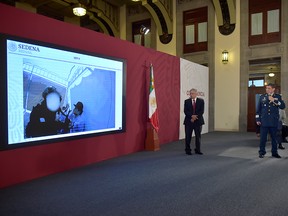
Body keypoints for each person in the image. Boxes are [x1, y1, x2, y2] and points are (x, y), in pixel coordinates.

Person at [256, 83, 285, 158]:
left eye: (269, 88)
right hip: (264, 121)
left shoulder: (278, 97)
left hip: (273, 121)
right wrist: (258, 119)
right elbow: (258, 110)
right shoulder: (262, 97)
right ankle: (262, 152)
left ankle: (274, 152)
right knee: (263, 138)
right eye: (266, 88)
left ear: (273, 89)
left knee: (274, 138)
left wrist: (274, 100)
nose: (267, 90)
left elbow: (282, 106)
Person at [183, 88, 205, 155]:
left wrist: (195, 117)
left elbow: (201, 111)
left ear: (196, 94)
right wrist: (192, 116)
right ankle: (188, 150)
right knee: (188, 136)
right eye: (190, 93)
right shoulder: (186, 101)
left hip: (198, 121)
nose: (191, 95)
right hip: (189, 121)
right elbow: (186, 111)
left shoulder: (201, 101)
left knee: (198, 137)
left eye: (192, 93)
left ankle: (197, 150)